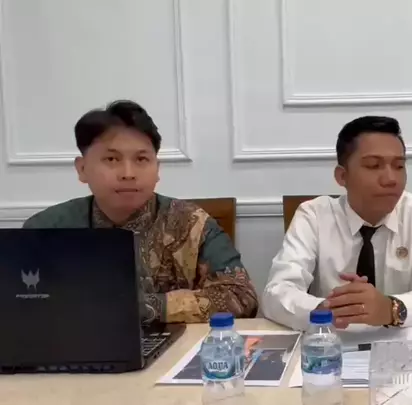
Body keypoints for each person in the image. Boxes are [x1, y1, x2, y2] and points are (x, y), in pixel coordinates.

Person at [23, 100, 259, 323]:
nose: (128, 173)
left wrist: (142, 307)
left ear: (157, 169)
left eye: (141, 159)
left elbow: (241, 298)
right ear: (82, 169)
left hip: (179, 347)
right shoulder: (46, 229)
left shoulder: (192, 224)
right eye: (112, 159)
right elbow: (22, 304)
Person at [262, 116, 412, 331]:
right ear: (342, 176)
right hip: (332, 342)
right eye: (373, 166)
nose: (391, 179)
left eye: (399, 166)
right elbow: (277, 292)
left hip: (402, 343)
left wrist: (390, 308)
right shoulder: (314, 215)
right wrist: (327, 309)